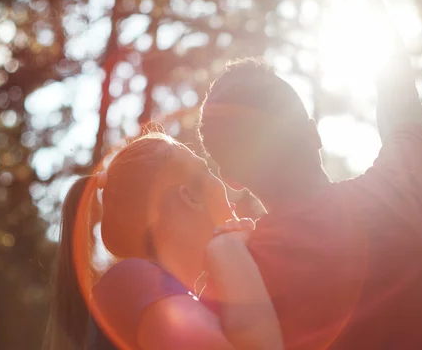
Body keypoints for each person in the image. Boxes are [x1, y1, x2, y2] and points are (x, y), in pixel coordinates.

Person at [198, 0, 422, 349]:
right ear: (313, 134)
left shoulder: (238, 280)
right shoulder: (404, 192)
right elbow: (398, 89)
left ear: (233, 178)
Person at [43, 132, 283, 350]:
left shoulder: (158, 289)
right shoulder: (132, 279)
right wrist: (229, 250)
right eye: (206, 170)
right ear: (189, 197)